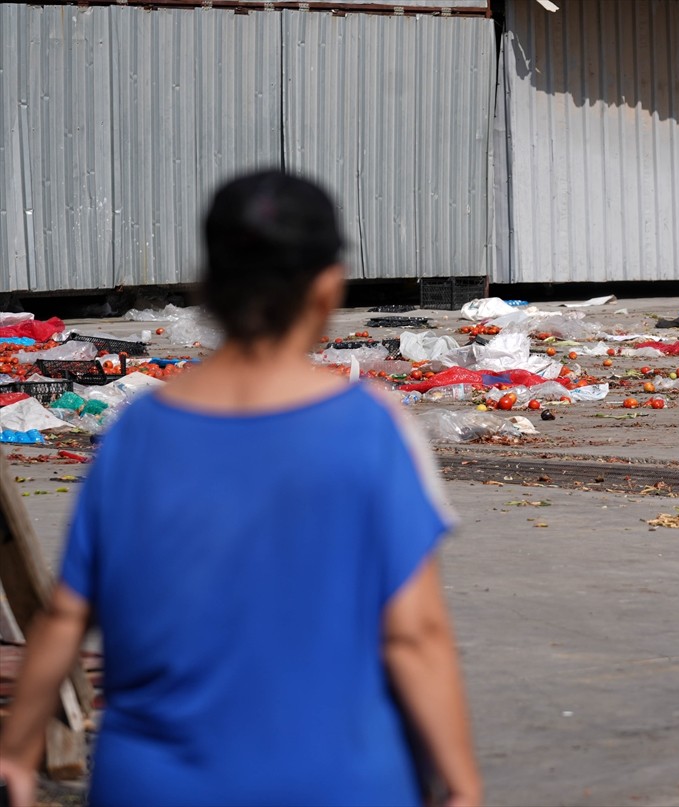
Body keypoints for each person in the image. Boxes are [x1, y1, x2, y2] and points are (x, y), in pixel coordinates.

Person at [0, 170, 481, 807]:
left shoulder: (136, 434)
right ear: (328, 287)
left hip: (152, 784)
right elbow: (413, 633)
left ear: (209, 285)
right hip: (338, 780)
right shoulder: (372, 429)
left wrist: (16, 752)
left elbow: (65, 617)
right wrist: (462, 783)